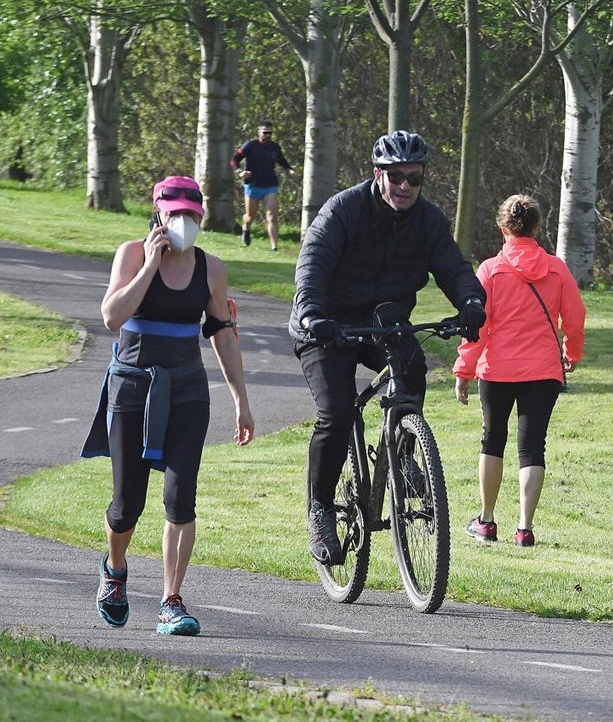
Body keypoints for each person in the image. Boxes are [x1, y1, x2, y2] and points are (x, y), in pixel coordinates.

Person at [289, 130, 487, 565]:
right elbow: (313, 264)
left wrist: (472, 302)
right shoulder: (343, 210)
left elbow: (454, 269)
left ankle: (402, 451)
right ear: (378, 174)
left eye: (414, 178)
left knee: (414, 369)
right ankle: (320, 508)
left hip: (383, 321)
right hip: (328, 324)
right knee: (337, 413)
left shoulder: (428, 221)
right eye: (395, 176)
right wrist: (310, 313)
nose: (404, 186)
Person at [82, 175, 254, 636]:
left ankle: (170, 601)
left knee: (180, 499)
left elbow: (222, 332)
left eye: (192, 215)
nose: (184, 222)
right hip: (132, 387)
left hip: (187, 390)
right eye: (175, 213)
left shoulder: (211, 269)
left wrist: (241, 399)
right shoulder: (131, 253)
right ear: (157, 212)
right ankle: (115, 571)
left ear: (202, 217)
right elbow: (112, 316)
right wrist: (150, 264)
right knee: (126, 504)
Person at [454, 194, 585, 547]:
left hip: (497, 370)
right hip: (543, 371)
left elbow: (476, 327)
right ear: (537, 227)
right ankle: (525, 528)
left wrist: (464, 369)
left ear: (502, 228)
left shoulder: (491, 270)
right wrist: (571, 352)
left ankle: (487, 521)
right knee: (532, 447)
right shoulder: (557, 269)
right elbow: (575, 317)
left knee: (492, 441)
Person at [230, 121, 298, 250]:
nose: (268, 135)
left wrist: (290, 170)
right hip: (252, 185)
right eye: (265, 132)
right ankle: (246, 228)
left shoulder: (274, 147)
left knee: (272, 215)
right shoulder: (250, 145)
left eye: (270, 133)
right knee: (251, 216)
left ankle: (274, 246)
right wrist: (240, 172)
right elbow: (234, 160)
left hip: (270, 185)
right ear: (259, 132)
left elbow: (282, 161)